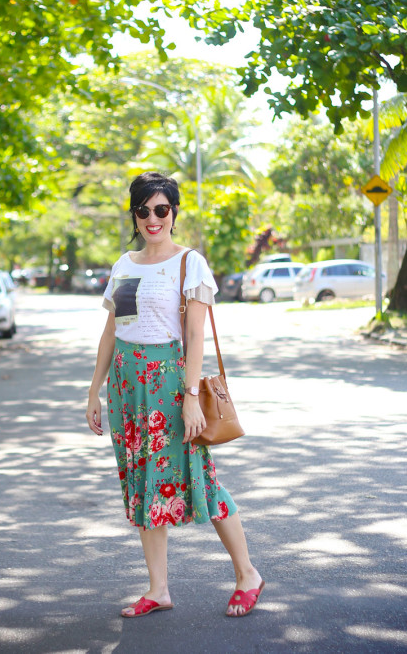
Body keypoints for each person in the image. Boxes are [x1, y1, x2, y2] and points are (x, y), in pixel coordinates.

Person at [86, 172, 264, 618]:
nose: (152, 218)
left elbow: (195, 335)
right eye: (143, 210)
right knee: (142, 482)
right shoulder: (125, 265)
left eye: (161, 209)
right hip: (127, 384)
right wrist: (95, 391)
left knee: (200, 477)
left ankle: (248, 574)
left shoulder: (189, 263)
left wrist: (188, 396)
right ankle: (158, 588)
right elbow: (114, 330)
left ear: (174, 213)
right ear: (134, 214)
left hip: (168, 382)